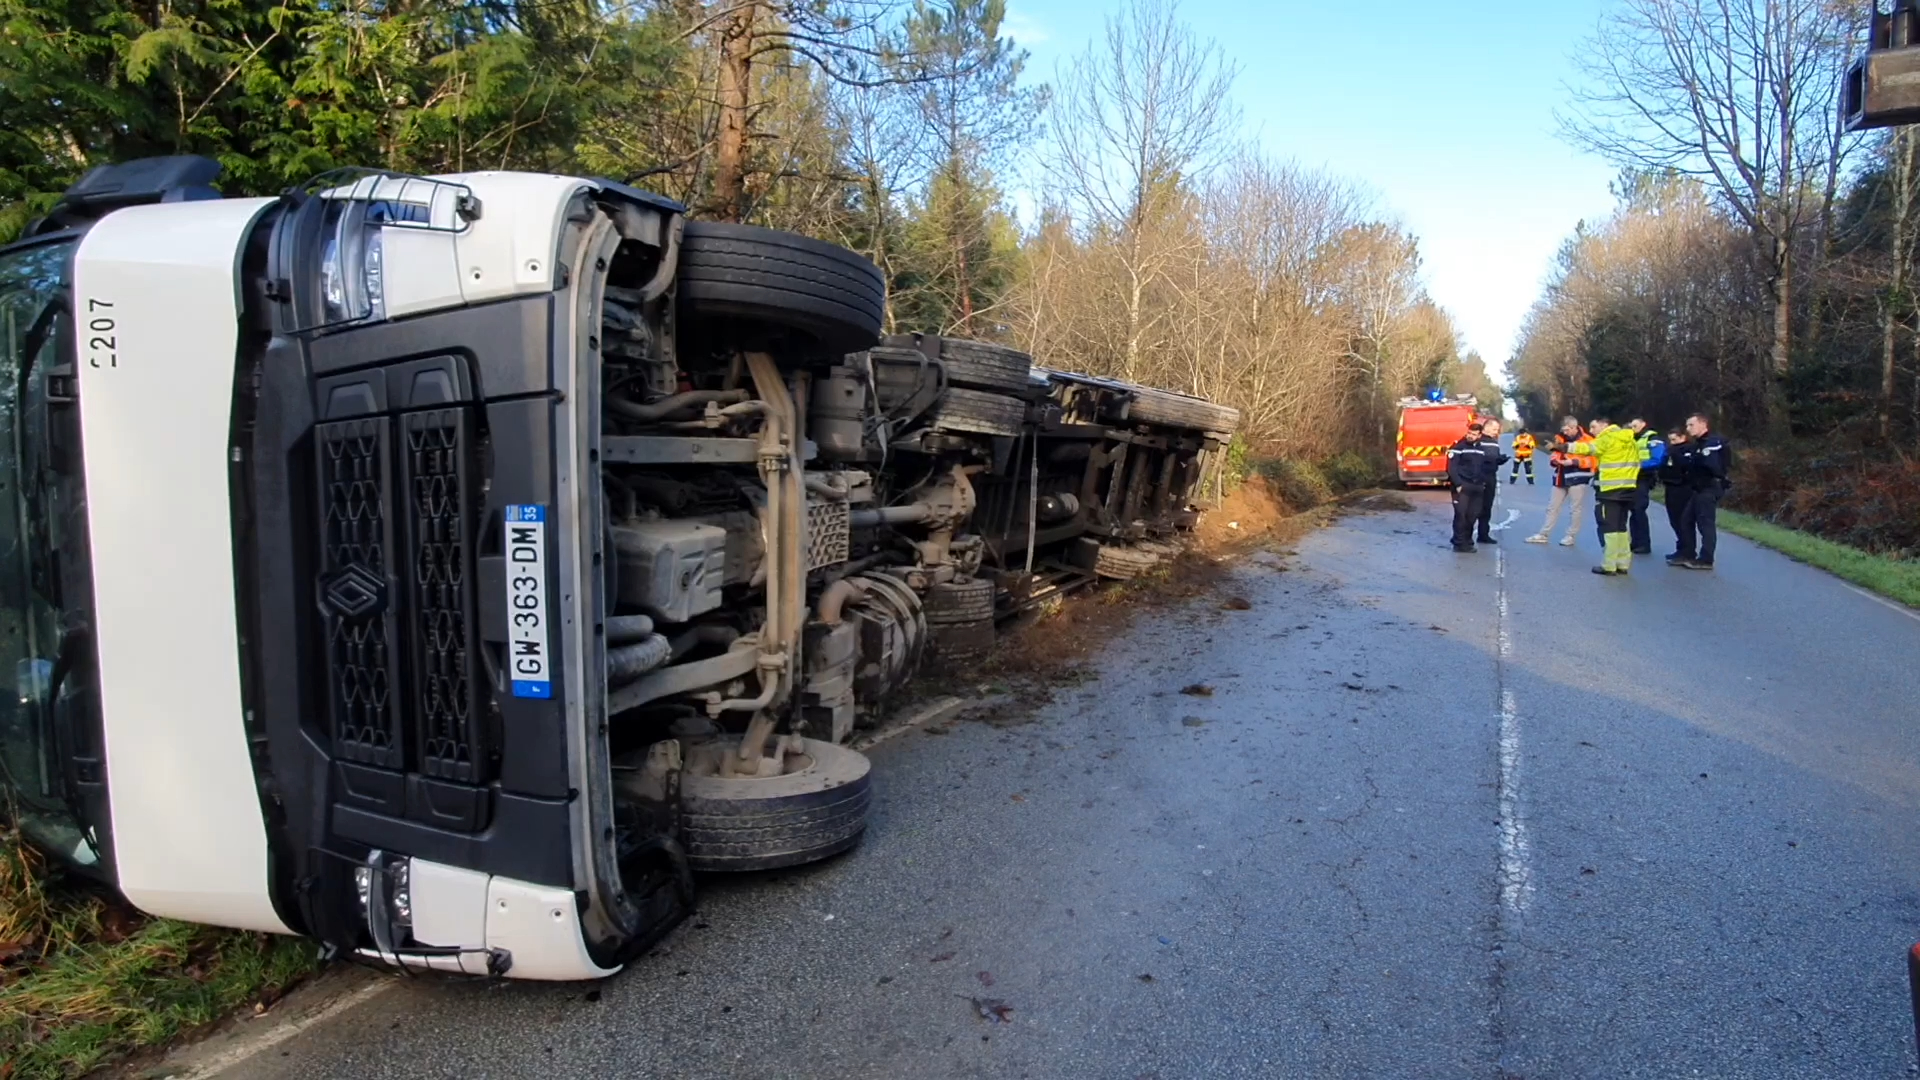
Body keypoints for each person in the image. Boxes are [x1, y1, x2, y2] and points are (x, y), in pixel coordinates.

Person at [1569, 417, 1643, 575]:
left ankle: (1609, 565)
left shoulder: (1608, 438)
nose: (1592, 431)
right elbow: (1638, 462)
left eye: (1594, 426)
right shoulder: (1630, 440)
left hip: (1609, 490)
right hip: (1628, 488)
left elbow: (1588, 448)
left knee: (1608, 527)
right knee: (1621, 527)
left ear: (1605, 426)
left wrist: (1563, 446)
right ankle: (1623, 563)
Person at [1526, 417, 1594, 546]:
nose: (1565, 432)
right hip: (1560, 476)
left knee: (1575, 509)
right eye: (1563, 430)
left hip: (1578, 477)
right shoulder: (1560, 438)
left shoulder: (1588, 440)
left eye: (1567, 430)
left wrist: (1574, 462)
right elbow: (1555, 454)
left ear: (1574, 427)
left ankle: (1571, 536)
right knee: (1552, 507)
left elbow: (1593, 461)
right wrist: (1554, 460)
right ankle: (1544, 534)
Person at [1673, 413, 1729, 570]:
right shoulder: (1698, 444)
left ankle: (1706, 559)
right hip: (1699, 488)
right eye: (1687, 425)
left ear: (1703, 424)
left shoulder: (1712, 442)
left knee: (1705, 523)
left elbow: (1713, 466)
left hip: (1709, 487)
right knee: (1686, 520)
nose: (1688, 428)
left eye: (1691, 425)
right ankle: (1688, 553)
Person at [1446, 422, 1497, 553]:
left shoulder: (1481, 449)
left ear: (1480, 435)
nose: (1470, 436)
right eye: (1469, 433)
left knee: (1472, 516)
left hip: (1477, 487)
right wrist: (1457, 484)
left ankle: (1467, 541)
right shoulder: (1458, 447)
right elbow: (1451, 467)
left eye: (1474, 434)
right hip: (1462, 486)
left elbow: (1483, 467)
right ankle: (1459, 543)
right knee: (1461, 515)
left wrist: (1484, 482)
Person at [1626, 418, 1666, 555]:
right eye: (1631, 426)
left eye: (1635, 425)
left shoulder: (1652, 438)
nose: (1633, 428)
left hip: (1644, 477)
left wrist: (1638, 465)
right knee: (1633, 510)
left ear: (1643, 424)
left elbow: (1658, 459)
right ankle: (1635, 542)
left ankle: (1644, 544)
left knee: (1639, 509)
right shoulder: (1632, 437)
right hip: (1632, 477)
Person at [1659, 428, 1694, 561]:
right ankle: (1681, 548)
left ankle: (1687, 550)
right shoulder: (1670, 450)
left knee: (1682, 520)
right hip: (1670, 486)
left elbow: (1686, 467)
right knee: (1674, 520)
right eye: (1670, 440)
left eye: (1674, 439)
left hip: (1682, 488)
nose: (1672, 442)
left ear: (1683, 437)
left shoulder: (1687, 450)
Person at [1474, 417, 1510, 544]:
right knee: (1475, 508)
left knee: (1487, 507)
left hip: (1491, 476)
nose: (1496, 432)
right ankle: (1466, 536)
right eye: (1494, 429)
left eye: (1497, 429)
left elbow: (1493, 457)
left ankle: (1483, 534)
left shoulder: (1494, 441)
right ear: (1487, 427)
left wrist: (1500, 459)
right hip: (1479, 477)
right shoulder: (1478, 440)